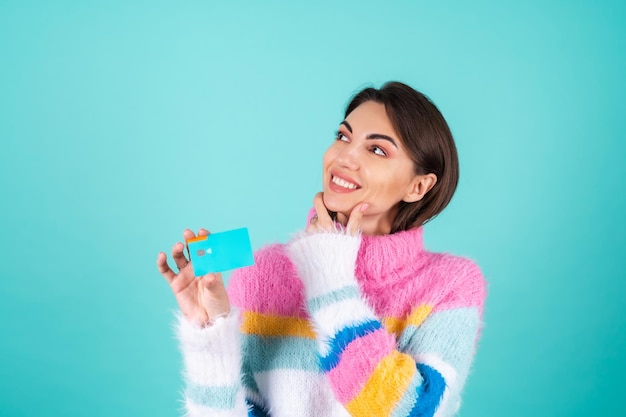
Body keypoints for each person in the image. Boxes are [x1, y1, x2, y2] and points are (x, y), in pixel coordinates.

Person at [157, 81, 487, 417]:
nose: (344, 157)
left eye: (376, 150)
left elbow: (412, 411)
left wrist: (329, 275)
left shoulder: (451, 285)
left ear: (418, 186)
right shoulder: (263, 274)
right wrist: (211, 338)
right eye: (343, 136)